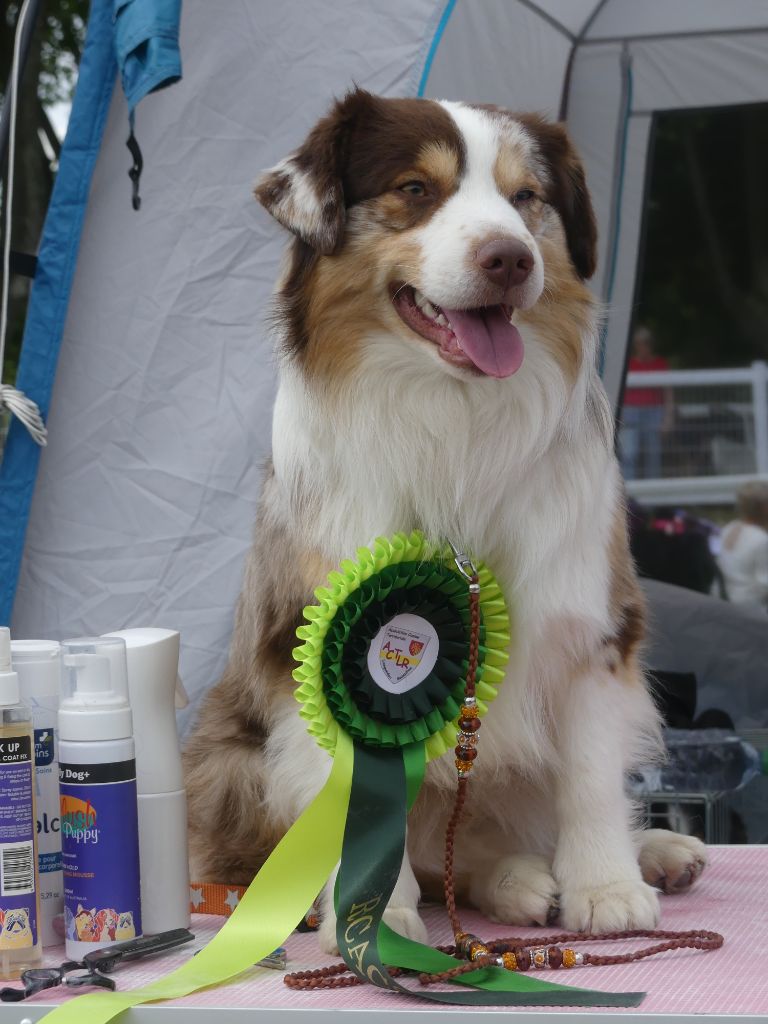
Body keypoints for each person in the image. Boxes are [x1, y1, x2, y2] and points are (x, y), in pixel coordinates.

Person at [620, 326, 674, 480]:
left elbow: (668, 393)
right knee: (629, 454)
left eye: (645, 343)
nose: (642, 346)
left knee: (653, 453)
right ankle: (629, 495)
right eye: (639, 343)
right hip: (630, 413)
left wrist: (668, 418)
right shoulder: (628, 364)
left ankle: (652, 495)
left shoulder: (660, 364)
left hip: (653, 412)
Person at [716, 481, 768, 611]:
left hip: (724, 600)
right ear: (763, 508)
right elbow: (764, 584)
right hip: (751, 608)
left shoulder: (729, 528)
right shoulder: (761, 539)